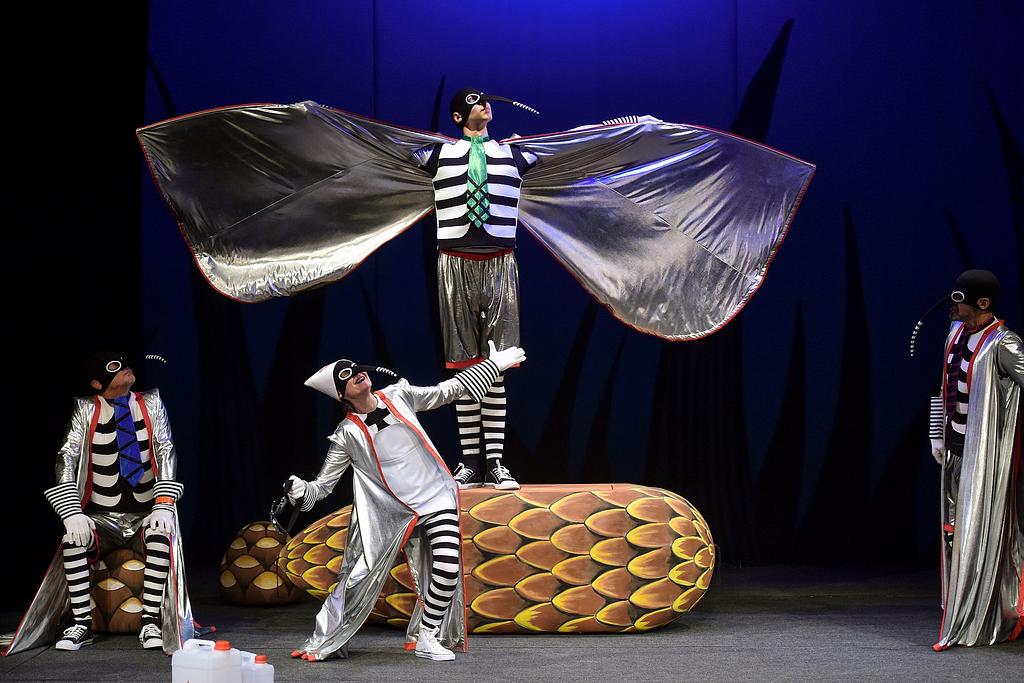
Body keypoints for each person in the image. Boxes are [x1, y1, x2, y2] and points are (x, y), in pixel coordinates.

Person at [286, 341, 526, 662]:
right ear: (342, 395)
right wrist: (302, 491)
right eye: (347, 377)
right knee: (357, 577)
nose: (356, 374)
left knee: (448, 565)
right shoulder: (347, 434)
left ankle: (428, 635)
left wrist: (492, 366)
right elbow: (322, 488)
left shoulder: (399, 394)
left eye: (355, 369)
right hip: (394, 512)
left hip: (435, 495)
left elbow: (448, 391)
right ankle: (325, 639)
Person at [1, 352, 195, 656]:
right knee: (73, 541)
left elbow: (165, 449)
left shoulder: (151, 402)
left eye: (125, 362)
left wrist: (163, 504)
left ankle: (150, 622)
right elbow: (67, 456)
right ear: (97, 382)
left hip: (144, 514)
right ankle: (82, 624)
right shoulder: (86, 409)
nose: (126, 367)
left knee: (160, 537)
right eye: (115, 367)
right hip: (103, 518)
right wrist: (71, 511)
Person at [413, 88, 540, 491]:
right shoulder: (438, 154)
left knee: (497, 365)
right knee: (466, 367)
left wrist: (610, 130)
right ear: (457, 117)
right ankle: (470, 461)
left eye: (486, 101)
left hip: (500, 263)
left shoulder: (513, 153)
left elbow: (567, 151)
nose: (484, 105)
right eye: (474, 102)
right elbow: (388, 152)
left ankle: (496, 463)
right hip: (454, 265)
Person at [927, 270, 1023, 650]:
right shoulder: (954, 336)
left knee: (982, 534)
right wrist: (936, 433)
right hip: (955, 453)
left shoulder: (1003, 344)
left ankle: (987, 615)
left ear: (982, 303)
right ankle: (958, 608)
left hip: (985, 462)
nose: (953, 307)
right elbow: (942, 386)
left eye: (959, 300)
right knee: (953, 532)